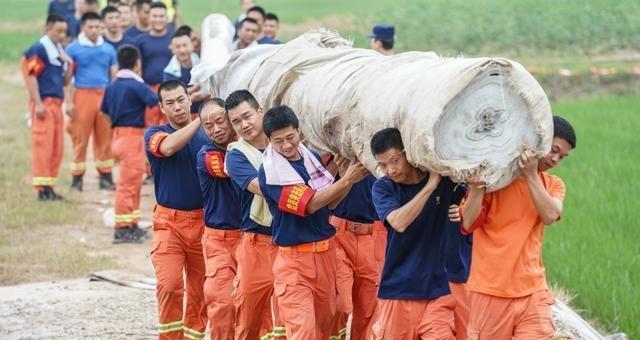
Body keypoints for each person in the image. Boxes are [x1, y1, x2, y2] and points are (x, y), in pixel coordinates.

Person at [454, 116, 577, 339]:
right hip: (489, 290)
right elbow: (468, 222)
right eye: (554, 150)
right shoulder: (495, 181)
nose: (556, 159)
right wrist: (477, 187)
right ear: (540, 139)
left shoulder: (553, 184)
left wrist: (531, 175)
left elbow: (550, 215)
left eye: (563, 156)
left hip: (533, 290)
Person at [256, 105, 369, 339]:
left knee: (325, 328)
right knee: (303, 332)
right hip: (294, 263)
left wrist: (344, 179)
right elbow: (310, 204)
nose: (287, 145)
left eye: (290, 137)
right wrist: (347, 180)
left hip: (327, 256)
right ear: (268, 140)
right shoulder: (270, 172)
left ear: (299, 131)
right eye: (278, 141)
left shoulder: (312, 159)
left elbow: (331, 204)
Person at [370, 127, 459, 339]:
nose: (390, 170)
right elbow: (399, 222)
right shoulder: (383, 188)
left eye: (394, 161)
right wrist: (429, 187)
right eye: (383, 165)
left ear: (407, 152)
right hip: (398, 289)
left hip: (438, 290)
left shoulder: (445, 182)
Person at [145, 80, 208, 340]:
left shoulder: (209, 137)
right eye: (170, 103)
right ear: (161, 107)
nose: (178, 106)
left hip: (205, 225)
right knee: (169, 285)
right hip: (168, 224)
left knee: (201, 291)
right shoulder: (155, 134)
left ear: (189, 99)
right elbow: (169, 147)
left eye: (181, 99)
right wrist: (202, 120)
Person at [224, 90, 284, 339]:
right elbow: (261, 189)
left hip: (288, 243)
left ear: (261, 112)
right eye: (236, 122)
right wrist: (301, 192)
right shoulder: (235, 155)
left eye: (247, 116)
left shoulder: (285, 144)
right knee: (248, 321)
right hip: (255, 244)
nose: (244, 125)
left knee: (287, 323)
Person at [100, 45, 157, 243]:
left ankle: (131, 224)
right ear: (137, 63)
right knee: (128, 185)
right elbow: (155, 101)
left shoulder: (112, 85)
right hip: (132, 138)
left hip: (117, 137)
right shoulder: (137, 85)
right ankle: (122, 229)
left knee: (132, 183)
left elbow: (104, 112)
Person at [196, 98, 241, 339]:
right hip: (219, 242)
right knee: (223, 302)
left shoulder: (253, 150)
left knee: (254, 308)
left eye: (220, 121)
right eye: (208, 125)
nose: (216, 129)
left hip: (252, 240)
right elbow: (232, 169)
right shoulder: (208, 155)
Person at [329, 170, 386, 340]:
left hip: (376, 235)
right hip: (339, 233)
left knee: (368, 310)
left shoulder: (389, 151)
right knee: (340, 304)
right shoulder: (341, 149)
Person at [64, 11, 118, 191]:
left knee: (105, 138)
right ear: (83, 28)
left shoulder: (109, 49)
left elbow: (114, 78)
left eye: (97, 27)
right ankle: (77, 180)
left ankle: (105, 177)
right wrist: (69, 102)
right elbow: (67, 79)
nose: (94, 30)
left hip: (103, 95)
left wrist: (114, 101)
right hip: (82, 95)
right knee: (80, 138)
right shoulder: (73, 49)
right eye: (90, 27)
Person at [22, 14, 73, 201]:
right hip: (45, 103)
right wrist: (38, 104)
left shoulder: (58, 50)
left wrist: (69, 63)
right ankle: (42, 190)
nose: (61, 35)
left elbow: (66, 81)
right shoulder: (40, 48)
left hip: (57, 104)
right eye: (58, 31)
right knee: (43, 146)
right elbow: (32, 76)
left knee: (56, 148)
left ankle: (49, 187)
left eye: (64, 32)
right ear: (47, 28)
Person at [135, 1, 173, 126]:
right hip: (149, 90)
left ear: (167, 18)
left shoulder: (174, 38)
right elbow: (137, 68)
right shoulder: (140, 40)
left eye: (161, 16)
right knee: (150, 127)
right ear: (149, 17)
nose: (158, 19)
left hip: (171, 89)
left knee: (172, 125)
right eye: (154, 16)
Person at [162, 29, 209, 118]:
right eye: (178, 47)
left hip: (205, 110)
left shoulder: (202, 62)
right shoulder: (169, 72)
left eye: (185, 45)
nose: (182, 50)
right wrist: (196, 88)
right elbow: (173, 95)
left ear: (192, 46)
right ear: (172, 49)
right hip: (183, 115)